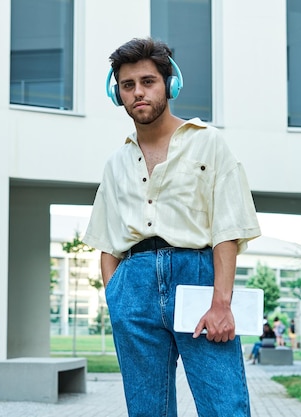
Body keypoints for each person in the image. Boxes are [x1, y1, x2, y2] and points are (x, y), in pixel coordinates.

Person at [83, 37, 261, 416]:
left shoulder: (209, 143)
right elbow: (107, 242)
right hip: (134, 286)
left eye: (148, 81)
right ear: (118, 95)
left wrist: (221, 302)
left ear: (170, 84)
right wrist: (117, 298)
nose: (138, 93)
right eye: (128, 86)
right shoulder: (116, 162)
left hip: (197, 280)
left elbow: (227, 229)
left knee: (224, 407)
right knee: (148, 410)